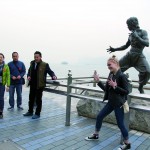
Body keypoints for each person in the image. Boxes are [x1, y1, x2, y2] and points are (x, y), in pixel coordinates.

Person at [85, 56, 131, 150]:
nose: (108, 67)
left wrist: (115, 86)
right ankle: (96, 134)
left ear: (116, 63)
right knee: (99, 116)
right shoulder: (111, 74)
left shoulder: (122, 76)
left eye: (109, 65)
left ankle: (127, 143)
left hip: (119, 104)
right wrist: (98, 81)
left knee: (120, 124)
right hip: (111, 103)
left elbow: (126, 91)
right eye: (107, 65)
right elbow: (106, 90)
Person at [107, 17, 150, 94]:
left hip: (139, 56)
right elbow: (125, 46)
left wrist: (137, 36)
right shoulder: (131, 35)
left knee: (147, 71)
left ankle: (140, 86)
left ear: (132, 24)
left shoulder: (143, 32)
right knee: (115, 68)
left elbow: (147, 43)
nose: (127, 27)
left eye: (128, 25)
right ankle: (111, 86)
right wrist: (114, 49)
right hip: (129, 56)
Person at [23, 51, 57, 119]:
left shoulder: (45, 64)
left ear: (40, 57)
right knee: (31, 99)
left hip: (39, 85)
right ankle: (30, 111)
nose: (36, 58)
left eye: (37, 57)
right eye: (35, 57)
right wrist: (28, 76)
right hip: (32, 84)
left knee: (38, 100)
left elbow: (50, 71)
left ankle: (37, 113)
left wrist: (53, 76)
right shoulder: (32, 63)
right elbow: (29, 72)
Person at [0, 53, 10, 118]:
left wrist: (8, 85)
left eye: (1, 57)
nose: (0, 58)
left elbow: (8, 76)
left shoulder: (6, 66)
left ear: (3, 58)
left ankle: (1, 111)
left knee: (1, 98)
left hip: (2, 84)